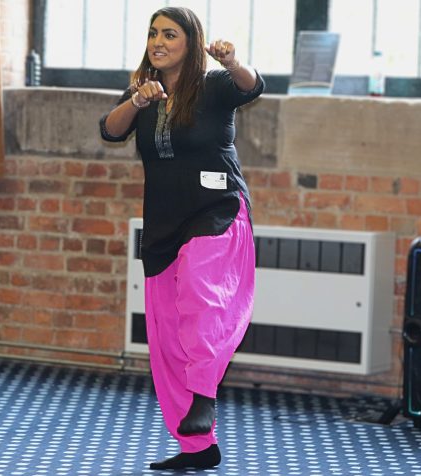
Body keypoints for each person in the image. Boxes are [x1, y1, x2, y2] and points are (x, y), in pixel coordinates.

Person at [100, 6, 264, 471]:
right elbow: (109, 130)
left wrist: (231, 62)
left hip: (217, 212)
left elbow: (252, 86)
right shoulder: (143, 94)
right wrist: (137, 101)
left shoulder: (213, 87)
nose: (159, 41)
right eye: (154, 33)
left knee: (201, 295)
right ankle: (198, 447)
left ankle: (205, 397)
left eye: (170, 34)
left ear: (191, 43)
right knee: (168, 341)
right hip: (164, 224)